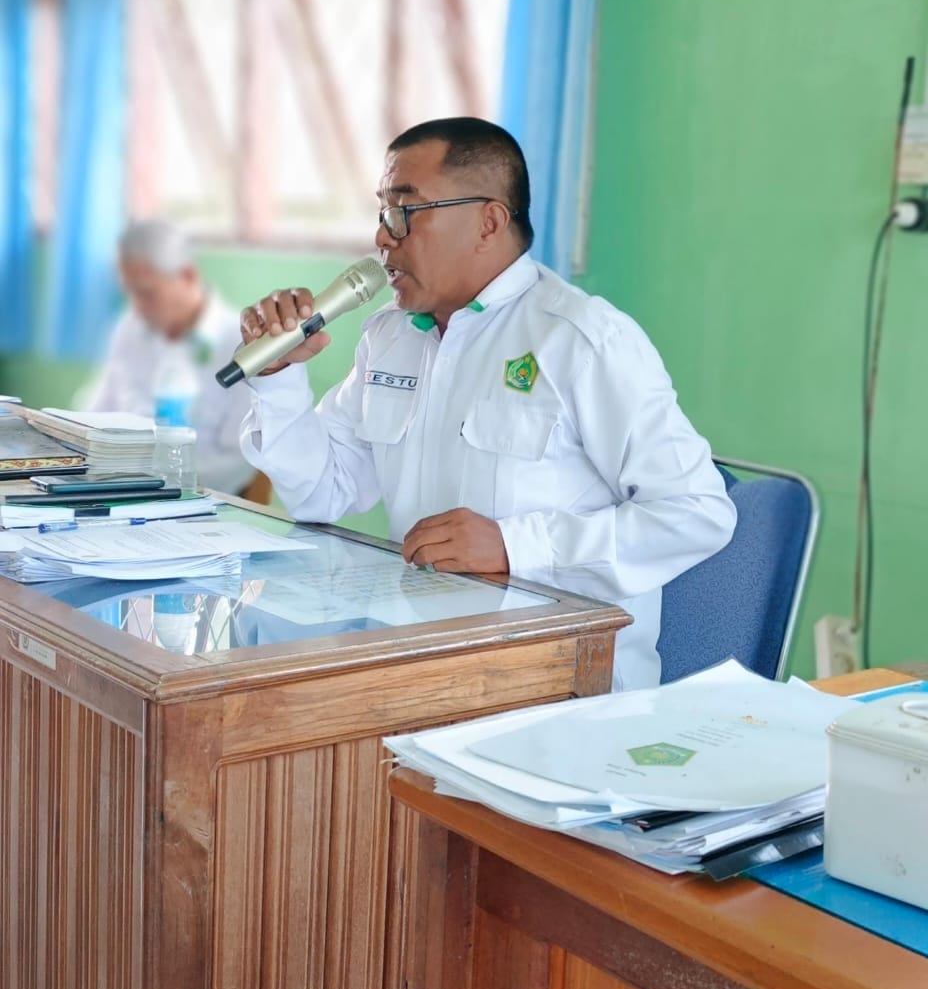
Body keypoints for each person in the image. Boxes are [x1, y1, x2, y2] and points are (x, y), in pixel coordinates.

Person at [238, 118, 736, 688]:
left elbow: (698, 513)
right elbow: (322, 492)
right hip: (425, 660)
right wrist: (278, 379)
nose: (382, 238)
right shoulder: (392, 337)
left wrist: (514, 546)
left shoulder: (580, 339)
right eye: (381, 213)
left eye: (405, 211)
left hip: (558, 688)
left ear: (488, 220)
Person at [85, 220, 257, 497]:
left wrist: (153, 483)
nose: (137, 306)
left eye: (146, 293)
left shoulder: (240, 343)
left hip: (199, 504)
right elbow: (91, 419)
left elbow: (240, 460)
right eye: (129, 293)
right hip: (118, 492)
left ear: (187, 276)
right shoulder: (129, 329)